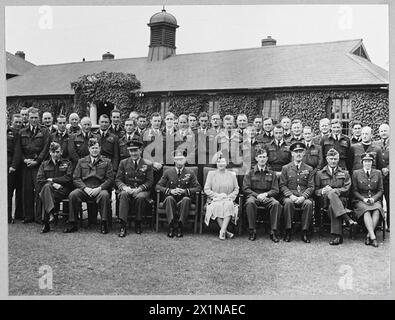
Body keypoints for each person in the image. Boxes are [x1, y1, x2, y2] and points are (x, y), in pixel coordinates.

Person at [64, 138, 114, 234]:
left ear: (100, 148)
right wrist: (85, 188)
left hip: (99, 188)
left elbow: (110, 179)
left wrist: (99, 188)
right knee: (73, 195)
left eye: (96, 148)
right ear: (88, 149)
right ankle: (73, 223)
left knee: (105, 195)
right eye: (92, 148)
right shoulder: (81, 161)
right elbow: (76, 178)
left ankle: (104, 223)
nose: (94, 150)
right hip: (85, 189)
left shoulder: (107, 161)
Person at [15, 107, 50, 224]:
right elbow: (19, 150)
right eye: (32, 117)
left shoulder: (44, 131)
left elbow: (46, 148)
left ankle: (39, 217)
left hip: (39, 166)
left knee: (39, 190)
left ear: (39, 118)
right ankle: (28, 216)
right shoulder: (22, 132)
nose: (34, 120)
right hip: (26, 166)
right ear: (28, 118)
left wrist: (37, 161)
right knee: (27, 191)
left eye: (36, 117)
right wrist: (25, 160)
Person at [315, 148, 356, 245]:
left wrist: (335, 191)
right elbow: (315, 191)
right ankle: (347, 219)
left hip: (341, 200)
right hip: (325, 201)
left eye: (335, 159)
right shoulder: (320, 173)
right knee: (330, 196)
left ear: (338, 159)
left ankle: (337, 236)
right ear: (327, 159)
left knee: (332, 205)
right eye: (331, 159)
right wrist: (322, 191)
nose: (333, 161)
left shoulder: (344, 173)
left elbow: (347, 188)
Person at [156, 150, 201, 238]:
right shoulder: (168, 172)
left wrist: (185, 191)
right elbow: (157, 186)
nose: (179, 161)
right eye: (177, 159)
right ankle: (171, 226)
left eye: (182, 159)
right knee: (169, 198)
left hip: (183, 201)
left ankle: (180, 226)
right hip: (171, 200)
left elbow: (198, 187)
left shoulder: (190, 172)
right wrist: (170, 191)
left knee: (186, 199)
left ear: (185, 160)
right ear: (174, 160)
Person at [116, 139, 153, 237]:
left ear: (140, 150)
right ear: (128, 151)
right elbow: (118, 180)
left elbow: (150, 181)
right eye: (131, 151)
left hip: (142, 190)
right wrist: (125, 188)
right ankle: (123, 226)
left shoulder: (147, 163)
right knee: (123, 194)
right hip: (128, 189)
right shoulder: (123, 163)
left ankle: (138, 223)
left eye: (136, 150)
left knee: (140, 197)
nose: (133, 153)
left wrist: (139, 189)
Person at [243, 148, 281, 242]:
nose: (262, 159)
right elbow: (246, 188)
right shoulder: (250, 172)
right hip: (254, 196)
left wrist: (266, 194)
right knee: (250, 203)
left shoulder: (272, 173)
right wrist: (257, 195)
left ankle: (273, 231)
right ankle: (252, 230)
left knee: (276, 204)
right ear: (256, 158)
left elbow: (275, 189)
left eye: (264, 157)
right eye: (260, 157)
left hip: (267, 197)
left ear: (267, 158)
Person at [279, 142, 314, 243]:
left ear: (304, 153)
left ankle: (305, 231)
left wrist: (303, 197)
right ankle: (288, 230)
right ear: (292, 154)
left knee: (308, 203)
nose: (298, 154)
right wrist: (291, 196)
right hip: (290, 195)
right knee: (288, 203)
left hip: (303, 196)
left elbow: (311, 187)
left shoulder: (309, 168)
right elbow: (282, 185)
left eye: (301, 151)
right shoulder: (286, 168)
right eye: (296, 152)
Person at [36, 142, 73, 233]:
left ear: (61, 152)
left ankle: (47, 220)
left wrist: (53, 180)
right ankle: (51, 214)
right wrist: (53, 184)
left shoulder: (67, 163)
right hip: (51, 190)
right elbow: (39, 179)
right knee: (46, 189)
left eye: (57, 152)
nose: (55, 154)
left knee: (45, 190)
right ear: (49, 152)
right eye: (53, 152)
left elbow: (68, 178)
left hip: (63, 190)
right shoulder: (44, 164)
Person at [352, 153, 384, 247]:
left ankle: (368, 235)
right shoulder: (356, 173)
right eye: (365, 161)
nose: (367, 163)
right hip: (361, 200)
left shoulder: (378, 173)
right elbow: (354, 191)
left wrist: (374, 199)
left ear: (372, 162)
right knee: (366, 210)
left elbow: (380, 190)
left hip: (374, 199)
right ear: (362, 162)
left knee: (377, 209)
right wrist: (363, 199)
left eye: (369, 161)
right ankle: (373, 237)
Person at [204, 155, 239, 240]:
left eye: (223, 162)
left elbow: (236, 189)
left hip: (228, 199)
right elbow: (206, 189)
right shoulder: (211, 174)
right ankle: (225, 232)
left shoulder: (232, 175)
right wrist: (217, 196)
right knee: (217, 206)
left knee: (228, 205)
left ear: (226, 163)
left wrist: (228, 196)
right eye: (219, 162)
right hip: (214, 199)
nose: (221, 164)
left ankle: (222, 231)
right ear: (216, 163)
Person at [7, 114, 23, 223]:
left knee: (20, 191)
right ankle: (7, 217)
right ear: (11, 121)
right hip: (9, 166)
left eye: (19, 122)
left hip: (20, 167)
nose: (18, 124)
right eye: (16, 122)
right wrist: (12, 166)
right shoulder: (8, 132)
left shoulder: (22, 132)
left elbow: (18, 152)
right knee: (8, 192)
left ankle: (18, 214)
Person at [374, 123, 389, 230]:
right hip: (378, 179)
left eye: (385, 131)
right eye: (381, 131)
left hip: (389, 178)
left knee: (390, 201)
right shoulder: (375, 144)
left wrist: (388, 169)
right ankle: (378, 224)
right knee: (377, 201)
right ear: (379, 133)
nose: (383, 133)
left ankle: (390, 225)